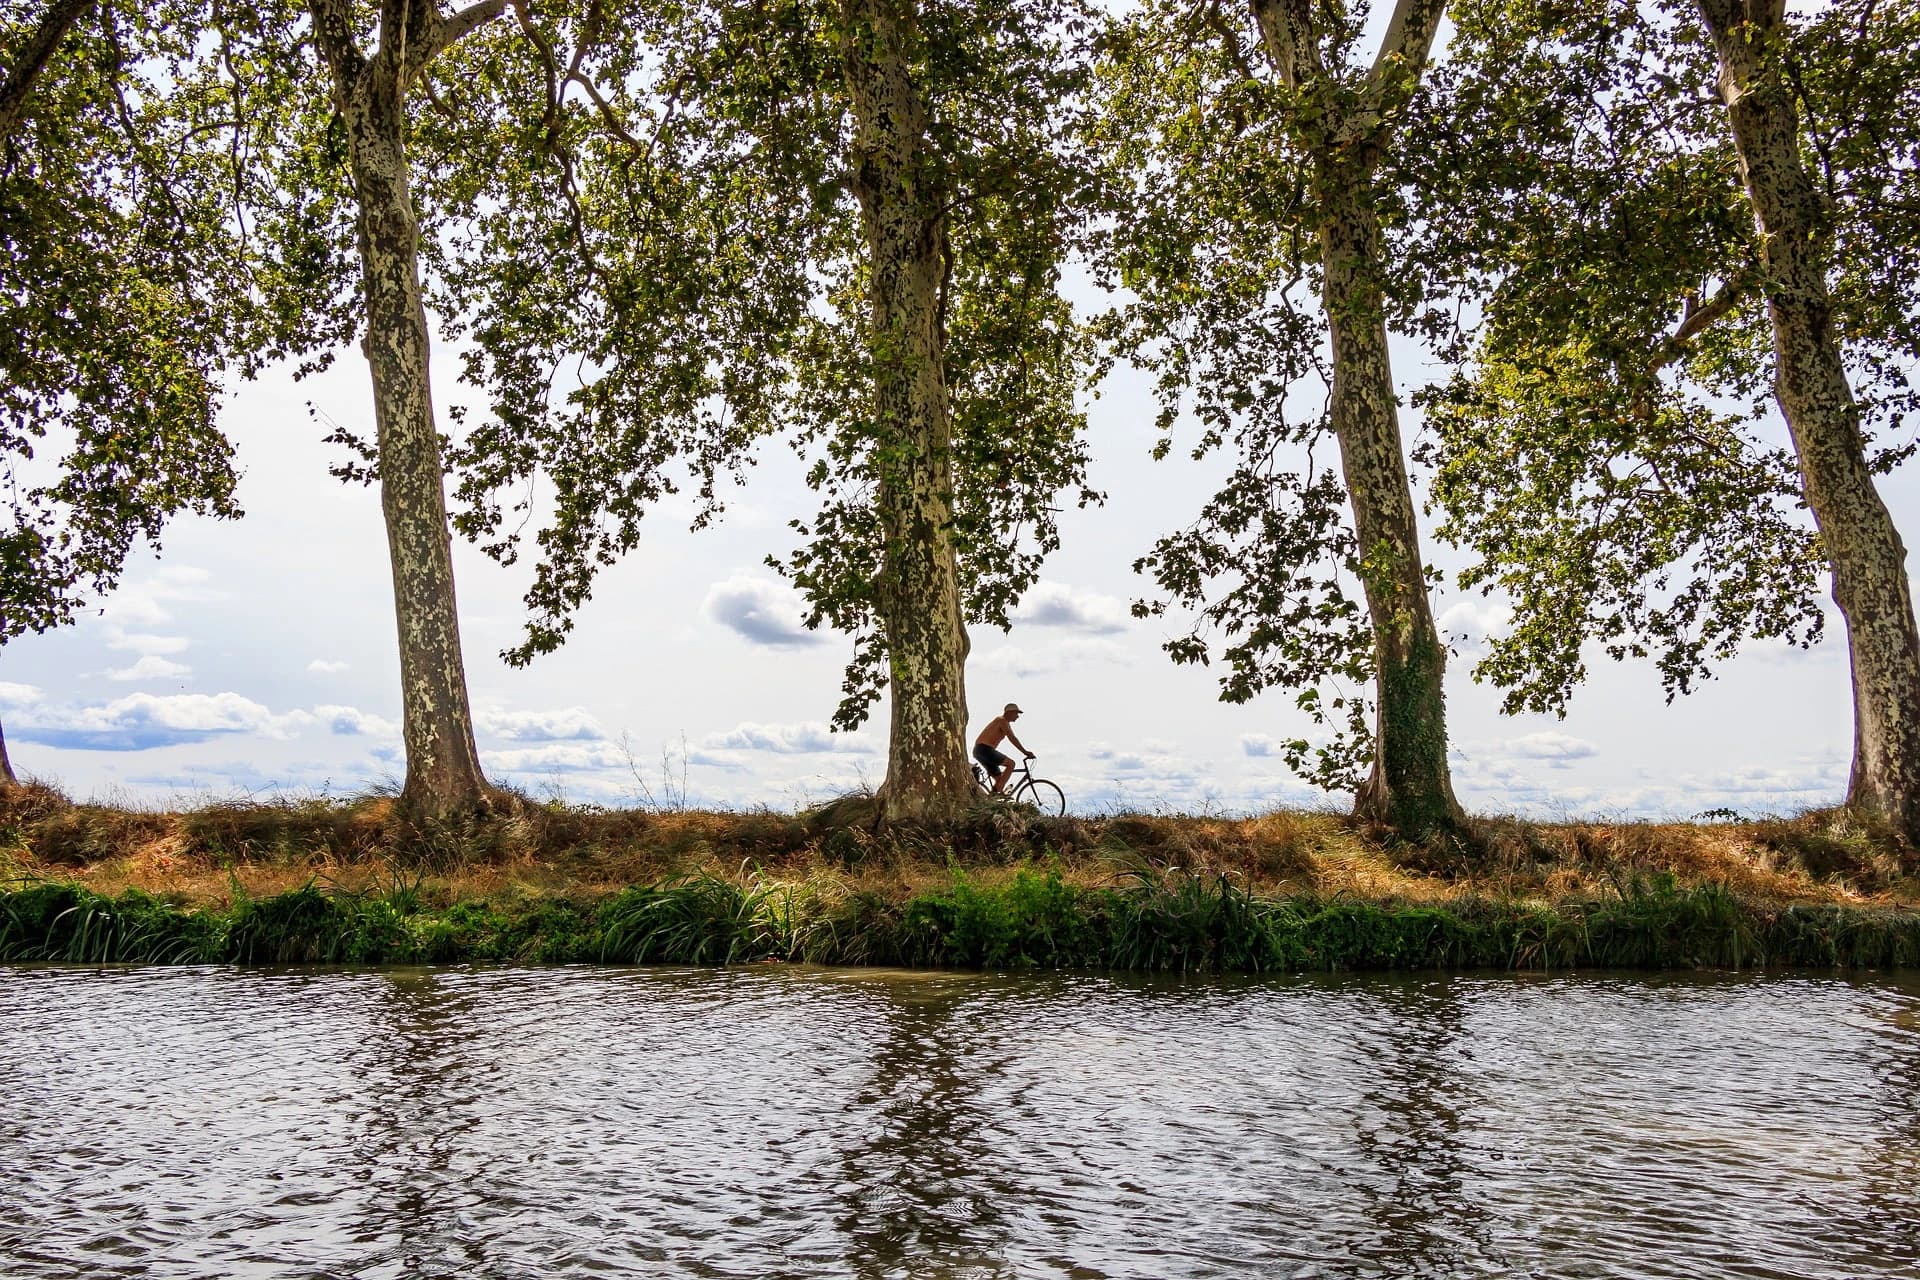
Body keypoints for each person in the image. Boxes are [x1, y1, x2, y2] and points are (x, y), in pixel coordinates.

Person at [973, 703, 1033, 796]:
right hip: (985, 749)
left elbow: (1013, 737)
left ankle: (991, 799)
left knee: (999, 779)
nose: (1017, 716)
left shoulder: (1005, 723)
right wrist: (1025, 752)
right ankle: (999, 794)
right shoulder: (1001, 720)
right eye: (1016, 713)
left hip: (980, 751)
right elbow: (1012, 738)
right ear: (1009, 712)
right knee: (1011, 764)